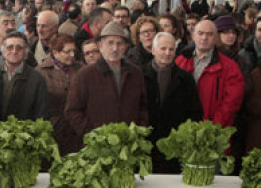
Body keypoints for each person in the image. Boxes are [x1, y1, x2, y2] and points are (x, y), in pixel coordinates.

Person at [66, 21, 149, 138]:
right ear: (100, 46)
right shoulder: (85, 75)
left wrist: (137, 132)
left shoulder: (135, 73)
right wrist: (93, 135)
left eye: (120, 43)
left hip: (129, 144)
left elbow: (143, 107)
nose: (115, 48)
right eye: (110, 43)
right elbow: (73, 111)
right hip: (98, 148)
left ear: (125, 47)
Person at [144, 32, 202, 174]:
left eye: (171, 49)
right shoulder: (139, 75)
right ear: (153, 50)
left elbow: (195, 112)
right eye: (163, 49)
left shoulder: (186, 79)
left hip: (174, 146)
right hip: (145, 145)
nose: (167, 53)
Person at [175, 20, 244, 127]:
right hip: (183, 128)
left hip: (213, 131)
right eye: (200, 33)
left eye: (209, 34)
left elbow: (231, 103)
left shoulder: (230, 67)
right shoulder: (180, 61)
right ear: (193, 35)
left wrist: (212, 127)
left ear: (216, 38)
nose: (204, 38)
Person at [37, 34, 83, 155]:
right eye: (67, 52)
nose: (72, 55)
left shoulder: (82, 69)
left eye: (74, 51)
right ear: (55, 52)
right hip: (54, 131)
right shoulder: (41, 72)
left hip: (78, 130)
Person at [0, 32, 48, 121]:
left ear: (26, 52)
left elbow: (41, 112)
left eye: (19, 48)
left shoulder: (37, 79)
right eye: (10, 47)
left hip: (25, 132)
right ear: (3, 50)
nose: (14, 51)